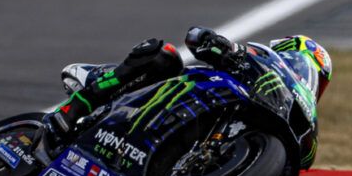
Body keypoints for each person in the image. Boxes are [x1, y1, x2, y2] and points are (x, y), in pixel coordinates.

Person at [42, 26, 332, 150]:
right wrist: (216, 43)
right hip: (174, 97)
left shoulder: (297, 119)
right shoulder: (254, 60)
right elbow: (197, 37)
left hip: (196, 135)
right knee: (164, 55)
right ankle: (78, 105)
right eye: (298, 65)